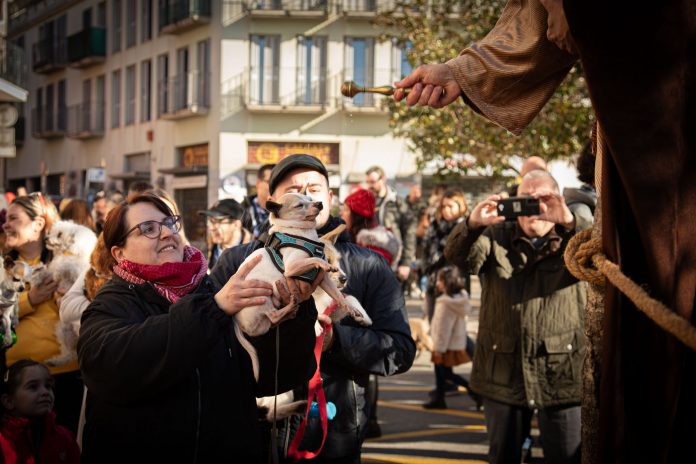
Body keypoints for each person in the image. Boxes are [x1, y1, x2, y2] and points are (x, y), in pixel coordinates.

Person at [210, 154, 416, 463]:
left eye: (314, 188)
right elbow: (208, 342)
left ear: (330, 198)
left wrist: (335, 341)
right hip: (253, 428)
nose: (306, 196)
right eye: (295, 188)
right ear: (272, 203)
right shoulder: (238, 261)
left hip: (333, 429)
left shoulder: (367, 264)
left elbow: (399, 350)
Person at [76, 193, 311, 463]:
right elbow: (111, 367)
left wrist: (294, 311)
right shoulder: (110, 305)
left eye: (169, 223)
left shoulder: (213, 290)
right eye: (148, 229)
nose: (166, 233)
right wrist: (211, 311)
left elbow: (273, 377)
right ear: (119, 253)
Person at [444, 170, 589, 463]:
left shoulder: (574, 238)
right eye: (524, 201)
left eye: (540, 200)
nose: (531, 210)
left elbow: (604, 249)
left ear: (557, 199)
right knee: (502, 456)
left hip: (562, 375)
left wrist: (571, 222)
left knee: (568, 457)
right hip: (502, 375)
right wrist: (472, 225)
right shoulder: (495, 235)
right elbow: (459, 256)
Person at [3, 193, 83, 435]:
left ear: (38, 224)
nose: (6, 224)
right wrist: (30, 300)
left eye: (14, 218)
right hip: (15, 380)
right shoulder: (3, 266)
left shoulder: (69, 262)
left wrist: (65, 297)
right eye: (6, 218)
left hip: (64, 376)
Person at [340, 187, 401, 440]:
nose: (342, 213)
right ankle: (370, 419)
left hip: (368, 309)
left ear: (356, 213)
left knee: (368, 368)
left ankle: (370, 419)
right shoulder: (380, 237)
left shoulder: (367, 243)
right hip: (373, 307)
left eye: (346, 209)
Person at [423, 266, 482, 410]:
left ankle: (474, 393)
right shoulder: (460, 298)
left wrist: (438, 349)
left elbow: (443, 329)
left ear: (447, 283)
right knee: (445, 374)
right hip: (453, 343)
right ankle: (440, 398)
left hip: (444, 345)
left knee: (444, 374)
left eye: (440, 280)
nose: (437, 283)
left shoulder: (445, 303)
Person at [0, 359, 80, 463]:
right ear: (9, 401)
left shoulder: (65, 437)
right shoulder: (3, 441)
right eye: (33, 386)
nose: (45, 392)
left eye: (48, 386)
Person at [422, 189, 470, 322]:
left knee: (454, 328)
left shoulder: (466, 227)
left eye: (450, 206)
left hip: (455, 281)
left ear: (460, 206)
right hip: (433, 280)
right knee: (433, 323)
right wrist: (427, 270)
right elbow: (425, 250)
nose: (446, 210)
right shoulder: (434, 226)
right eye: (443, 206)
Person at [364, 166, 416, 282]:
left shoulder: (399, 203)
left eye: (372, 182)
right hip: (369, 262)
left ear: (383, 179)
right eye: (367, 182)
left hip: (394, 263)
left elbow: (410, 233)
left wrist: (406, 263)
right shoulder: (365, 202)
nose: (369, 186)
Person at [198, 198, 252, 269]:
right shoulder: (203, 254)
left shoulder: (254, 252)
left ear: (236, 224)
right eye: (210, 221)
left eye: (217, 221)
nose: (211, 228)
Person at [242, 163, 275, 238]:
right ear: (258, 183)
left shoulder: (285, 211)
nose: (273, 185)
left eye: (277, 182)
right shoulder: (241, 210)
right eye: (269, 181)